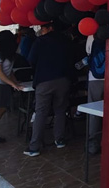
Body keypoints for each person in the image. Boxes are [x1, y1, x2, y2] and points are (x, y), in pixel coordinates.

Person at [24, 22, 73, 157]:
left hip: (44, 80)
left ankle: (34, 146)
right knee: (60, 110)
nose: (41, 30)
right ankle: (60, 139)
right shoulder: (66, 40)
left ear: (50, 28)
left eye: (43, 28)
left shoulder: (40, 41)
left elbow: (31, 60)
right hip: (63, 79)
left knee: (41, 112)